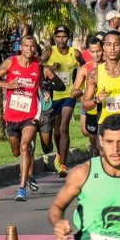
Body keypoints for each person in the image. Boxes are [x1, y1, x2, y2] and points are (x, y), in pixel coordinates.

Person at [0, 34, 66, 201]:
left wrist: (44, 91)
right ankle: (28, 154)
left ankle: (21, 189)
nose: (30, 49)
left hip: (31, 113)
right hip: (12, 113)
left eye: (33, 46)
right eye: (26, 46)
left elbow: (39, 82)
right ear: (21, 47)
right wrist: (7, 85)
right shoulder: (11, 63)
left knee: (25, 146)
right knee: (16, 152)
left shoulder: (38, 65)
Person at [41, 25, 84, 177]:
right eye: (58, 36)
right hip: (53, 96)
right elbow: (37, 67)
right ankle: (59, 153)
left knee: (64, 126)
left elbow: (85, 68)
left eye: (64, 36)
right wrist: (50, 67)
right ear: (54, 38)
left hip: (68, 95)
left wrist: (80, 87)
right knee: (57, 130)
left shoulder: (75, 53)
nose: (61, 40)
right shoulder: (50, 52)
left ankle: (64, 164)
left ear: (69, 38)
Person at [72, 35, 104, 158]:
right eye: (93, 52)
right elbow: (74, 92)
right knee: (92, 141)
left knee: (102, 144)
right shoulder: (84, 69)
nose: (96, 54)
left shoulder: (110, 65)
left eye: (99, 51)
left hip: (106, 108)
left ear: (103, 49)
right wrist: (85, 91)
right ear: (89, 52)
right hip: (90, 108)